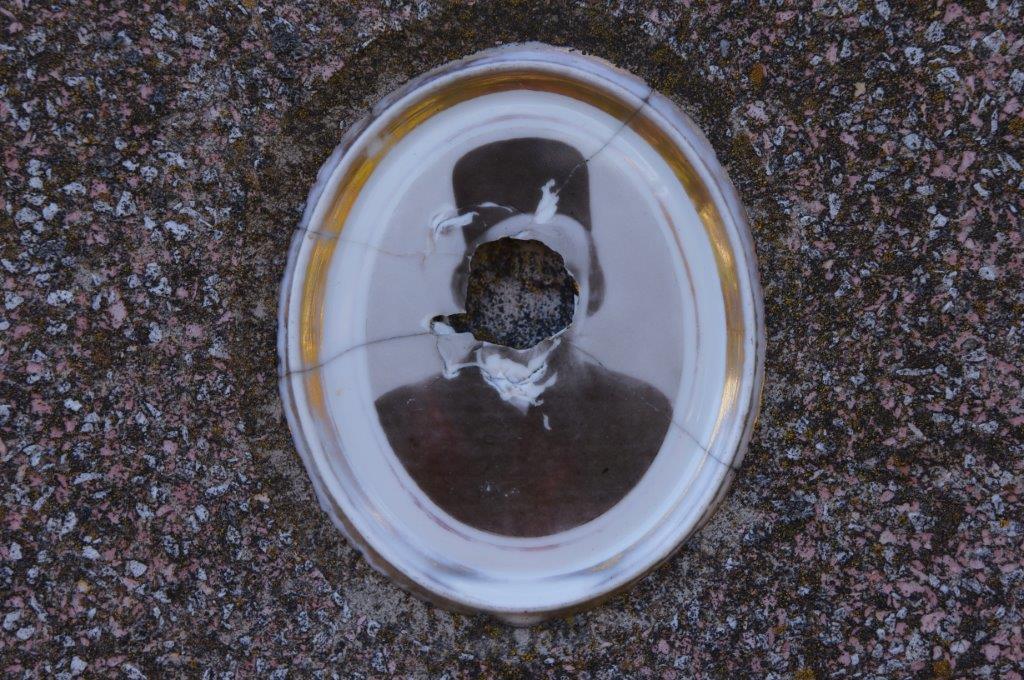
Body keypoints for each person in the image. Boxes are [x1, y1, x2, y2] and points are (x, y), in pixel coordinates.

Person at [375, 138, 672, 537]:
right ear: (466, 292)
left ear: (594, 291)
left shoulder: (642, 419)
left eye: (562, 280)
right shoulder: (402, 422)